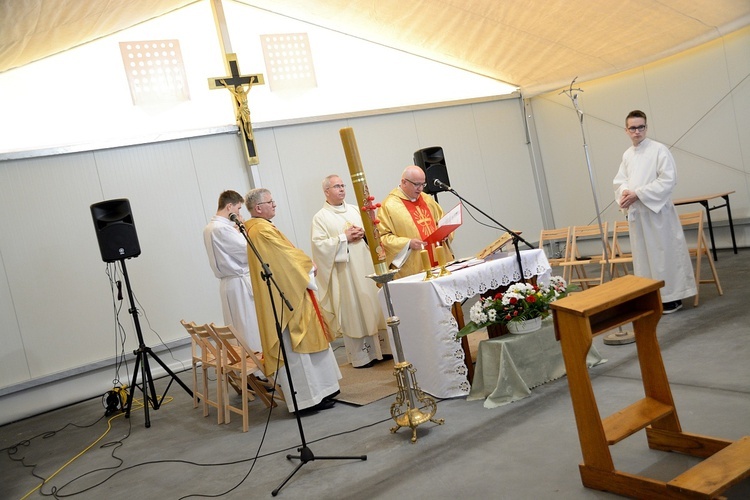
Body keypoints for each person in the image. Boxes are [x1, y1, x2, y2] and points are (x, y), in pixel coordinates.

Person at [244, 188, 341, 412]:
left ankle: (322, 391)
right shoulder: (260, 231)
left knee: (309, 345)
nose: (275, 204)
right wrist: (307, 265)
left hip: (293, 293)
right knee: (297, 350)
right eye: (270, 202)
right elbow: (284, 259)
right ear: (258, 208)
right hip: (286, 299)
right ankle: (307, 400)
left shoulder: (263, 227)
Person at [613, 109, 697, 313]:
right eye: (632, 128)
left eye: (641, 127)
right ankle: (652, 295)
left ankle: (672, 297)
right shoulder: (627, 155)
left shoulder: (659, 150)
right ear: (626, 130)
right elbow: (620, 180)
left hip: (657, 213)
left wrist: (638, 194)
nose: (637, 131)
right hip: (639, 215)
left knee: (663, 255)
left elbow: (668, 180)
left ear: (646, 127)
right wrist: (625, 194)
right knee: (644, 257)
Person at [311, 175, 392, 368]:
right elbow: (319, 246)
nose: (341, 189)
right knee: (354, 309)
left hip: (365, 265)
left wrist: (364, 235)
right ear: (326, 192)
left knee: (372, 303)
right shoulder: (320, 218)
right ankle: (362, 357)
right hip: (345, 272)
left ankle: (384, 349)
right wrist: (343, 238)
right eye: (336, 186)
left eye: (342, 185)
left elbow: (373, 235)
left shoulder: (356, 210)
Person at [203, 190, 261, 352]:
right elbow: (247, 250)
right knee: (247, 324)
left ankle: (247, 363)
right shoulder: (222, 228)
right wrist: (241, 229)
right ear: (229, 206)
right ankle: (256, 366)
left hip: (229, 283)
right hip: (239, 282)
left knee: (238, 324)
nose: (239, 213)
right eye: (238, 208)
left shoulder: (209, 228)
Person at [378, 165, 454, 278]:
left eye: (423, 184)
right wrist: (407, 244)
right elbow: (382, 238)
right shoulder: (389, 205)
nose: (420, 189)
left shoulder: (427, 199)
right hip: (414, 266)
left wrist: (446, 233)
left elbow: (442, 220)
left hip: (440, 260)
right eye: (416, 184)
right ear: (404, 182)